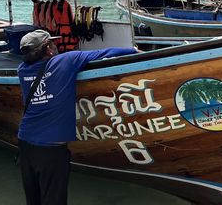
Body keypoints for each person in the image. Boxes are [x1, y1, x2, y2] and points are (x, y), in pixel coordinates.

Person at [17, 30, 137, 205]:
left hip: (25, 143)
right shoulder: (66, 61)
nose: (55, 46)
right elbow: (104, 53)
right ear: (48, 49)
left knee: (33, 200)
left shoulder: (22, 71)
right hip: (51, 149)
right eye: (52, 44)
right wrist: (133, 49)